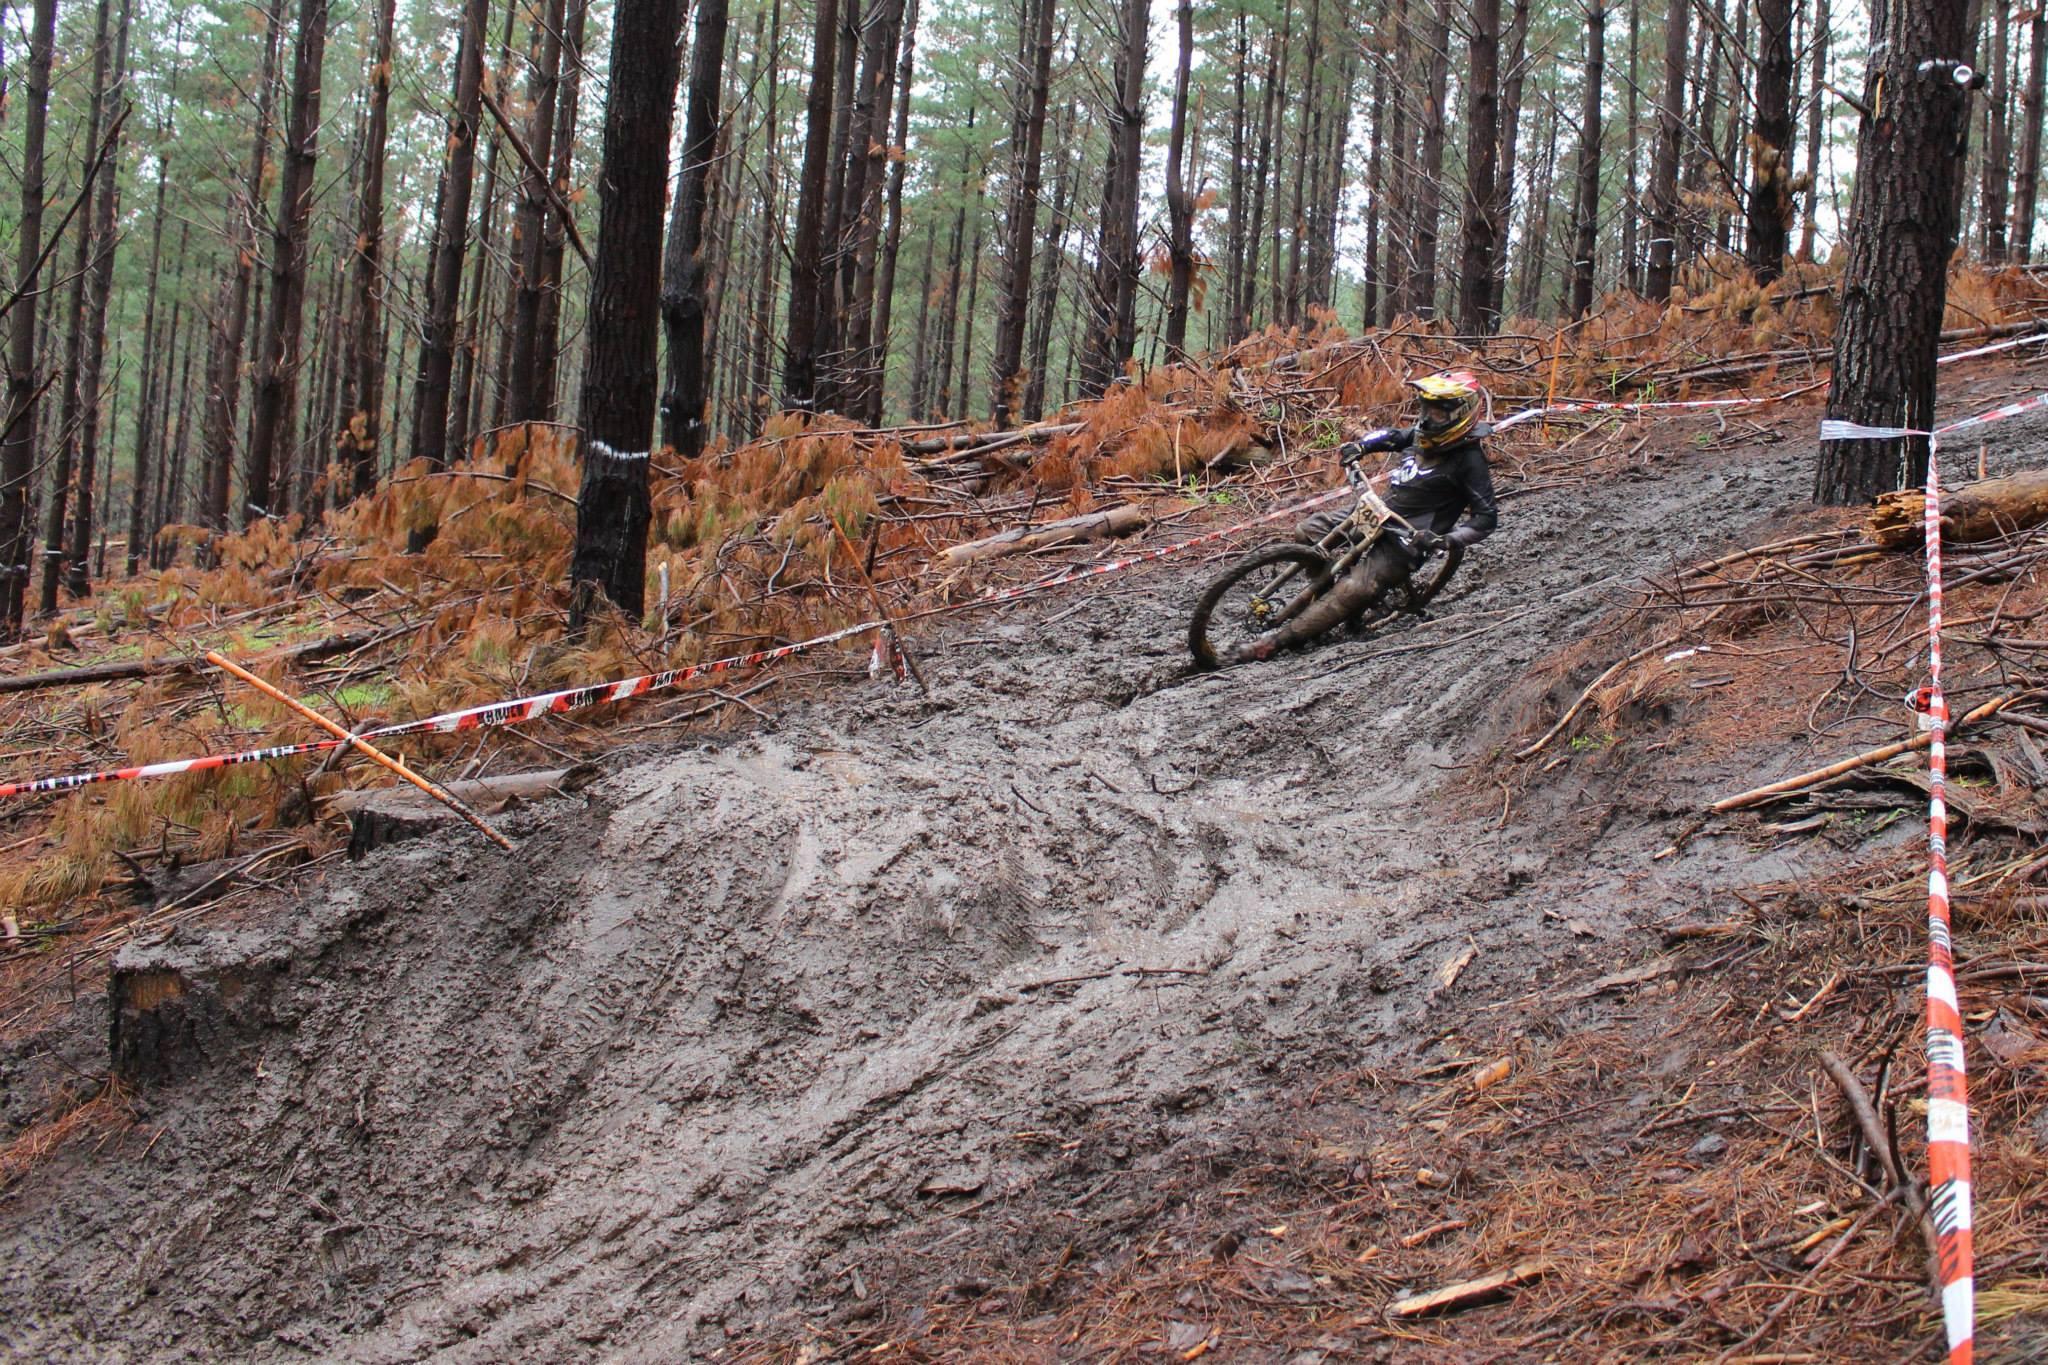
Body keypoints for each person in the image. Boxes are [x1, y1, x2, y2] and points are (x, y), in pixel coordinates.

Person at [1231, 371, 1499, 663]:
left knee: (1355, 588)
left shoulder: (1470, 461)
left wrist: (1445, 539)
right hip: (1376, 511)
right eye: (1426, 408)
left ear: (1459, 414)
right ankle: (1327, 594)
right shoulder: (1423, 434)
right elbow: (1391, 436)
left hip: (1407, 539)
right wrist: (1362, 446)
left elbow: (1486, 517)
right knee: (1308, 531)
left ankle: (1274, 643)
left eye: (1438, 412)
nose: (1428, 417)